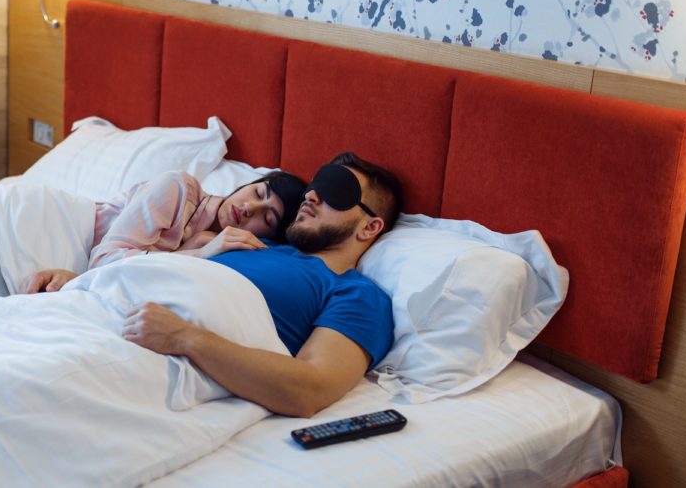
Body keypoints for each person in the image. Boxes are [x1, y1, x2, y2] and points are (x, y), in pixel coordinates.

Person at [122, 152, 403, 418]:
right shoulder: (251, 242)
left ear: (369, 227)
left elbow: (311, 389)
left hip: (153, 354)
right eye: (317, 185)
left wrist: (183, 337)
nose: (311, 195)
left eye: (337, 192)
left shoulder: (357, 294)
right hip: (111, 310)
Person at [22, 169, 308, 293]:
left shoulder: (227, 253)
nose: (249, 207)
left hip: (65, 262)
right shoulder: (179, 188)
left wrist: (198, 250)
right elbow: (105, 261)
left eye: (267, 217)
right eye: (258, 192)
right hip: (46, 222)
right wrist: (200, 251)